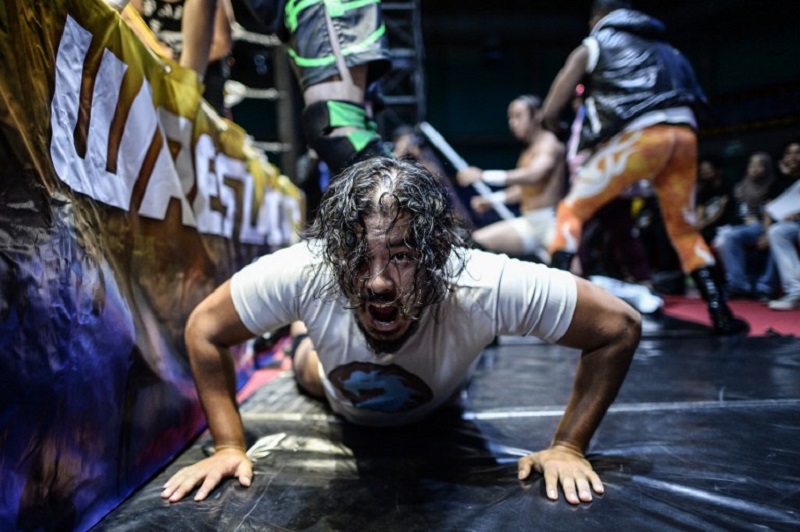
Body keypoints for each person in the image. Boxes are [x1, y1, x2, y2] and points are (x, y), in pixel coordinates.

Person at [160, 156, 642, 506]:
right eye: (359, 256)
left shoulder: (479, 280)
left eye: (403, 256)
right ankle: (303, 334)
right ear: (334, 252)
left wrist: (568, 445)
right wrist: (228, 445)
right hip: (332, 384)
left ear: (435, 255)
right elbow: (205, 328)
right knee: (307, 366)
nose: (378, 280)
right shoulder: (305, 268)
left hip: (446, 388)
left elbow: (618, 326)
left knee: (464, 331)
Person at [540, 0, 747, 334]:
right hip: (684, 134)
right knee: (683, 228)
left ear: (597, 18)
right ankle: (719, 311)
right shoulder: (670, 49)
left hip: (638, 139)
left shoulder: (596, 43)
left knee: (570, 212)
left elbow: (552, 106)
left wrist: (555, 126)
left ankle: (553, 306)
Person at [456, 95, 565, 263]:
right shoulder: (529, 150)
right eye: (511, 117)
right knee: (475, 241)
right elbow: (524, 189)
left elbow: (534, 175)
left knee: (570, 272)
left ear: (537, 116)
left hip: (552, 223)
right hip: (530, 223)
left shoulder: (549, 144)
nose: (512, 123)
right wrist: (492, 200)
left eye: (518, 116)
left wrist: (483, 176)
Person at [129, 0, 234, 116]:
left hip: (201, 77)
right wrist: (156, 51)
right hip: (155, 69)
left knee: (189, 109)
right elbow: (131, 21)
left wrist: (174, 63)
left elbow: (222, 43)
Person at [712, 151, 780, 300]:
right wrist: (748, 219)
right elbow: (738, 213)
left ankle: (765, 286)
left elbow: (772, 211)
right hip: (749, 227)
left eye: (760, 165)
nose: (755, 168)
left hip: (771, 224)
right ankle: (738, 285)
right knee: (729, 236)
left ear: (767, 168)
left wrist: (766, 232)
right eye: (752, 164)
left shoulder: (774, 184)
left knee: (777, 235)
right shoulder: (741, 187)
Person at [766, 139, 800, 310]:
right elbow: (771, 209)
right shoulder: (780, 180)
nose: (793, 157)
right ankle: (796, 291)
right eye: (789, 153)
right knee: (777, 231)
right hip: (795, 226)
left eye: (797, 152)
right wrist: (784, 175)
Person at [695, 155, 737, 247]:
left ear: (718, 169)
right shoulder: (703, 191)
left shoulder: (728, 187)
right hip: (707, 227)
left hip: (725, 226)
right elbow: (700, 213)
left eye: (707, 169)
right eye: (701, 170)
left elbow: (722, 212)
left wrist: (705, 223)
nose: (704, 172)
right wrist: (701, 223)